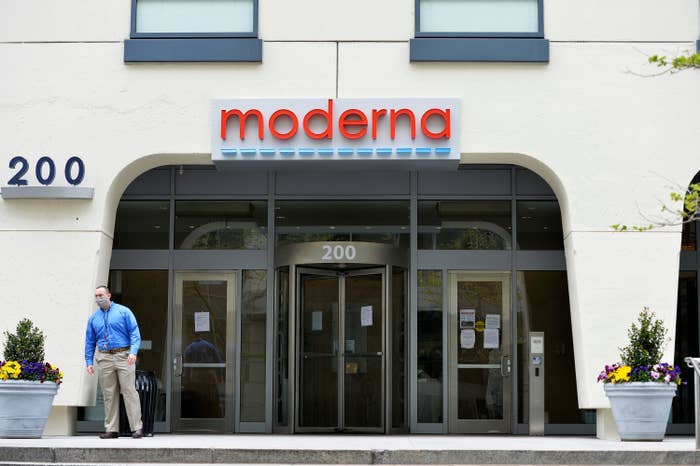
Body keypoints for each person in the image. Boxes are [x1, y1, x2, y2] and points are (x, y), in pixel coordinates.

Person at [84, 285, 144, 439]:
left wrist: (133, 352)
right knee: (108, 394)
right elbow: (90, 342)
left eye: (101, 295)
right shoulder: (93, 319)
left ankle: (137, 428)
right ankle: (111, 429)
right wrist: (89, 361)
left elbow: (134, 333)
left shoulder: (124, 312)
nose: (99, 298)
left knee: (129, 391)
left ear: (109, 295)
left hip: (123, 355)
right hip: (104, 357)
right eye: (96, 296)